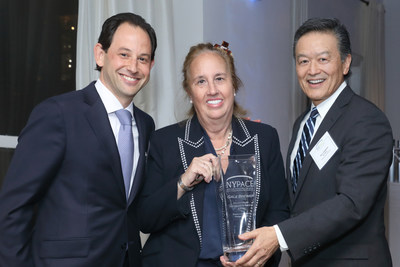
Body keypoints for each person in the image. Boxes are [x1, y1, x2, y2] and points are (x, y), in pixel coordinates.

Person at [221, 18, 393, 267]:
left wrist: (279, 236)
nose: (312, 70)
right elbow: (299, 199)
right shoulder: (302, 124)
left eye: (323, 59)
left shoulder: (367, 120)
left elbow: (352, 203)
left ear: (345, 63)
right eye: (303, 61)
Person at [0, 12, 156, 267]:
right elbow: (14, 208)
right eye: (124, 54)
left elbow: (127, 208)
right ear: (100, 54)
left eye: (143, 58)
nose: (133, 67)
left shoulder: (145, 124)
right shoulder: (57, 114)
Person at [137, 42, 289, 267]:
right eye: (201, 81)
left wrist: (259, 255)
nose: (212, 90)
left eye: (219, 78)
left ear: (233, 85)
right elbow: (145, 219)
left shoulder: (264, 139)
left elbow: (279, 212)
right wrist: (183, 182)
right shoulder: (165, 142)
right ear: (190, 92)